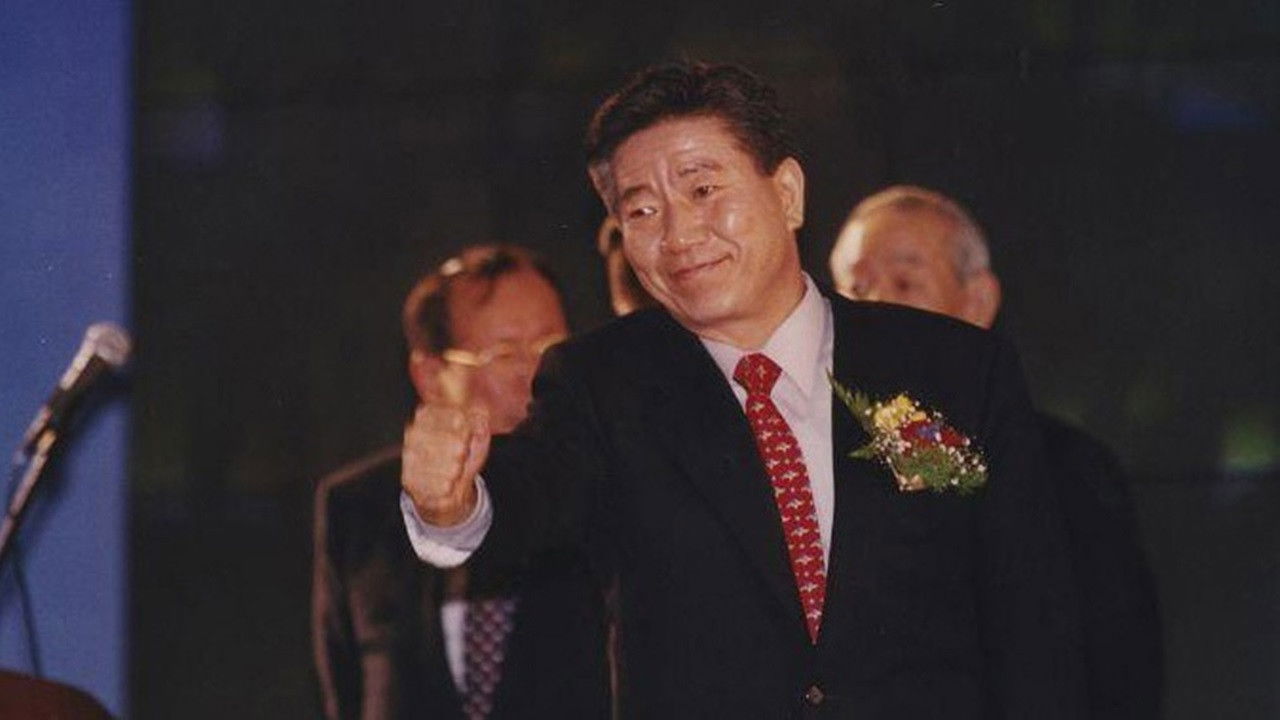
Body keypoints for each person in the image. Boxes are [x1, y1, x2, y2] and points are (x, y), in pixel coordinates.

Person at [402, 63, 1085, 717]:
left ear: (787, 193)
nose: (679, 234)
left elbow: (1035, 627)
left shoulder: (953, 367)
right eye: (642, 211)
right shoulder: (602, 384)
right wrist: (450, 503)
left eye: (703, 190)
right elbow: (528, 495)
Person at [830, 184, 1163, 719]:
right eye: (855, 287)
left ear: (978, 301)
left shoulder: (1066, 469)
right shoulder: (811, 458)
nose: (874, 306)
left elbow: (1117, 673)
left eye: (906, 283)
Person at [312, 245, 609, 720]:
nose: (535, 373)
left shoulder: (606, 485)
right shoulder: (358, 506)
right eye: (505, 353)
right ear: (431, 374)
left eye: (551, 347)